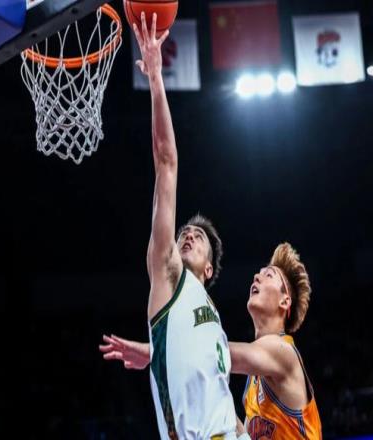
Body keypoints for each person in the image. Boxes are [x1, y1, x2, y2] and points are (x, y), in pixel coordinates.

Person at [112, 12, 246, 439]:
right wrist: (156, 78)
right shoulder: (167, 272)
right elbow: (166, 163)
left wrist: (154, 352)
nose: (188, 234)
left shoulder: (213, 322)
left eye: (198, 236)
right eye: (186, 231)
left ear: (210, 268)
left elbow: (216, 388)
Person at [100, 243, 322, 439]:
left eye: (269, 275)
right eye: (259, 273)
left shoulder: (284, 351)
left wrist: (154, 350)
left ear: (285, 301)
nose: (257, 276)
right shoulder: (255, 382)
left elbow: (212, 353)